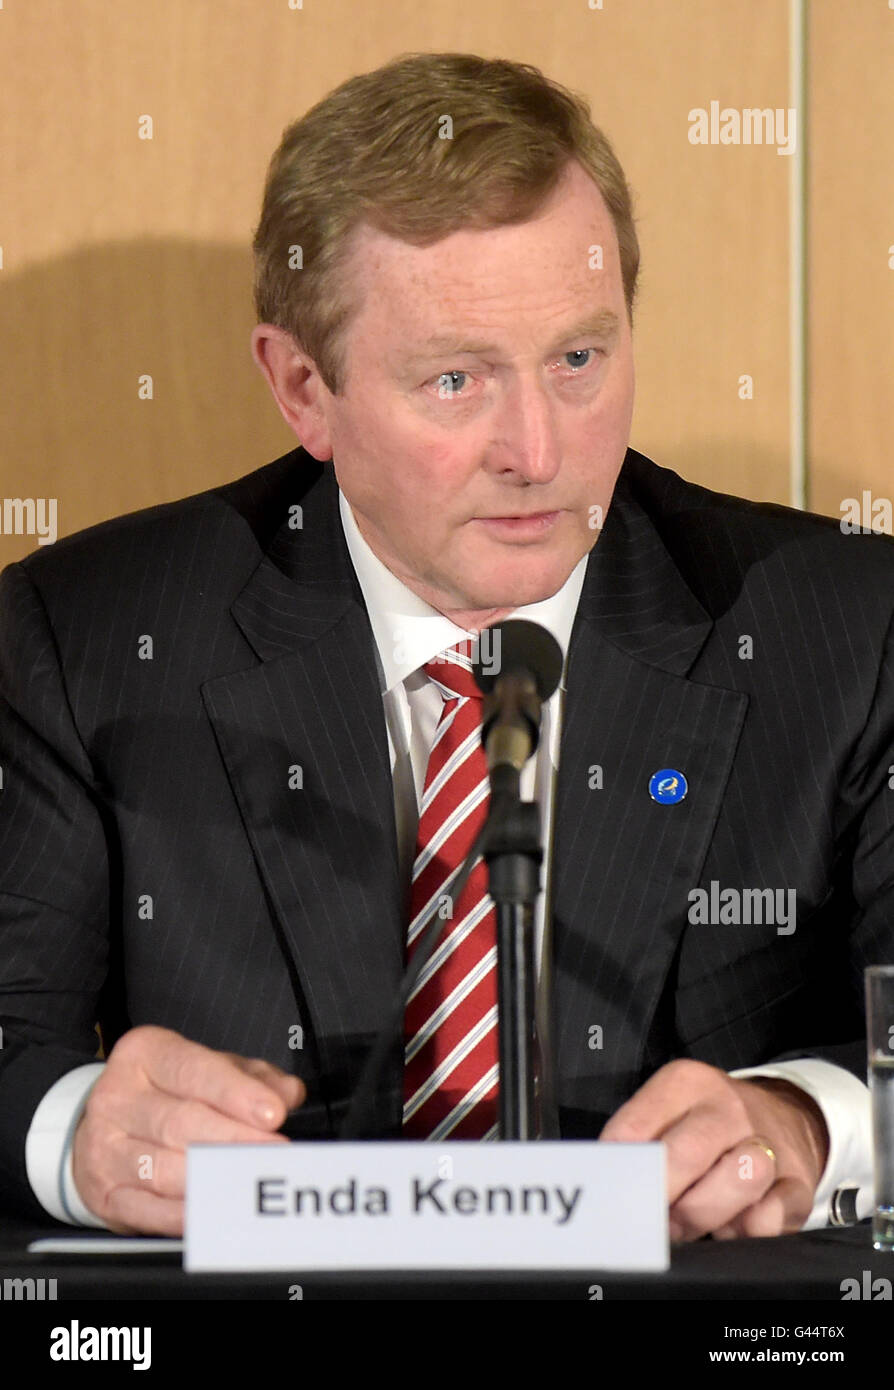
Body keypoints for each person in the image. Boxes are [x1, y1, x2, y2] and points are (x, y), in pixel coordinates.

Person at [1, 51, 891, 1243]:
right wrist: (74, 1133)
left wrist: (806, 1121)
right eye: (457, 378)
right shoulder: (89, 638)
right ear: (304, 389)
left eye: (580, 359)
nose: (538, 450)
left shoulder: (842, 628)